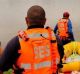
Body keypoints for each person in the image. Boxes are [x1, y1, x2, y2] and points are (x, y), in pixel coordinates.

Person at [0, 5, 60, 74]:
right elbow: (59, 59)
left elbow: (2, 66)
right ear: (45, 21)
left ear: (26, 19)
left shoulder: (16, 42)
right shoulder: (55, 39)